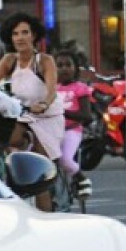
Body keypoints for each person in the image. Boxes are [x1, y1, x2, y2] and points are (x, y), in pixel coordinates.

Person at [0, 12, 65, 211]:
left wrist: (44, 104)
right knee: (7, 142)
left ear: (34, 35)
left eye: (25, 33)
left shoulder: (44, 61)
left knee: (37, 169)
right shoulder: (9, 60)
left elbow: (51, 91)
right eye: (15, 34)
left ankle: (45, 215)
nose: (20, 38)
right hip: (23, 114)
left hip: (47, 116)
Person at [54, 50, 94, 199]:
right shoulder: (52, 89)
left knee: (65, 160)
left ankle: (80, 178)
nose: (64, 68)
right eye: (59, 65)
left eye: (68, 65)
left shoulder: (80, 88)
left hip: (72, 131)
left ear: (75, 68)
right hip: (53, 131)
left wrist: (63, 113)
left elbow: (86, 115)